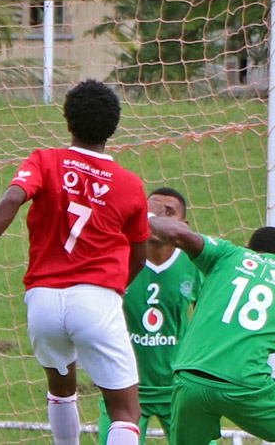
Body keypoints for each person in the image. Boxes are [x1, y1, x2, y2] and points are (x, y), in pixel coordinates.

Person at [0, 79, 149, 445]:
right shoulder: (129, 184)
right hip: (95, 298)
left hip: (42, 301)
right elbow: (139, 250)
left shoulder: (45, 160)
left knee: (61, 390)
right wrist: (119, 286)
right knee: (126, 411)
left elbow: (12, 199)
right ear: (114, 125)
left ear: (67, 119)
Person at [146, 218, 275, 445]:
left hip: (191, 378)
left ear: (249, 248)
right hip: (247, 385)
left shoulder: (229, 254)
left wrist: (146, 214)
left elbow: (180, 236)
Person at [98, 188, 201, 444]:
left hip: (179, 389)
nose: (158, 217)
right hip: (124, 387)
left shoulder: (194, 263)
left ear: (183, 225)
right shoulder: (118, 257)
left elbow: (208, 322)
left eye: (169, 212)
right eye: (152, 210)